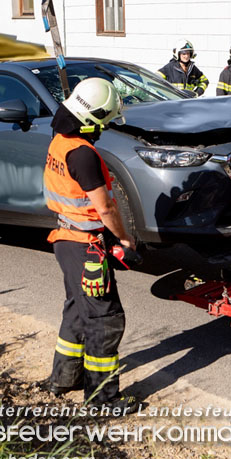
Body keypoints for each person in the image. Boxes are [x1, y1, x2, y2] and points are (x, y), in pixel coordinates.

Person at [43, 77, 138, 413]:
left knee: (77, 311)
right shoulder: (83, 155)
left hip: (66, 240)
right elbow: (106, 208)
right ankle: (102, 399)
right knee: (104, 319)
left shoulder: (60, 142)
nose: (106, 128)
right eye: (105, 121)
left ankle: (63, 378)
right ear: (91, 119)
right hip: (87, 248)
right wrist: (124, 238)